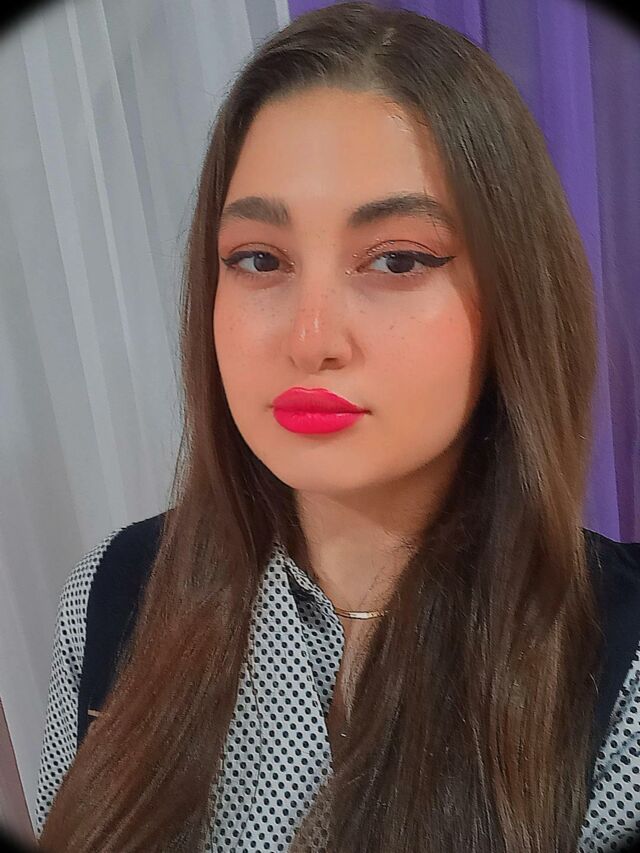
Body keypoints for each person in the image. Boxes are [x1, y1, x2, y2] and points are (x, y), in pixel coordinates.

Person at [33, 2, 640, 851]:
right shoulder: (113, 594)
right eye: (259, 259)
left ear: (515, 295)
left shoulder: (621, 665)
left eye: (397, 259)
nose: (311, 338)